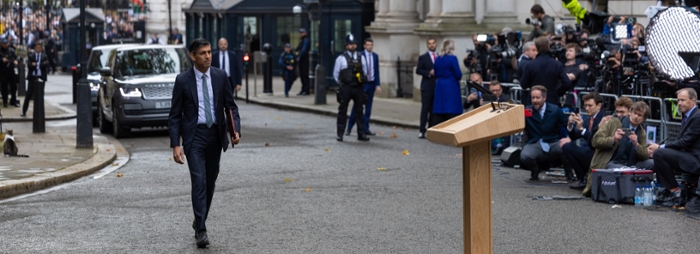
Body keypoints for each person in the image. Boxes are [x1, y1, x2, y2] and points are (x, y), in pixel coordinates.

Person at [168, 38, 241, 248]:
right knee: (199, 181)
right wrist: (176, 144)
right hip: (195, 137)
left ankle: (198, 219)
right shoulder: (182, 80)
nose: (208, 56)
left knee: (209, 183)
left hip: (215, 136)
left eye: (209, 52)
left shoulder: (220, 76)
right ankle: (201, 230)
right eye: (203, 53)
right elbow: (175, 115)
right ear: (193, 56)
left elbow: (231, 107)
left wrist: (235, 130)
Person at [582, 101, 651, 197]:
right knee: (620, 169)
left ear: (643, 119)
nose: (636, 117)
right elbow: (595, 141)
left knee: (653, 163)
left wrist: (636, 144)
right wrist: (613, 139)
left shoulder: (641, 131)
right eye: (635, 113)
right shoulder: (614, 122)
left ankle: (656, 191)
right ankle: (628, 176)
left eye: (639, 115)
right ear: (630, 112)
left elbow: (645, 155)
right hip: (611, 161)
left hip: (631, 162)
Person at [649, 88, 700, 203]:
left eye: (683, 100)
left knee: (660, 153)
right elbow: (681, 142)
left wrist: (660, 147)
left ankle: (674, 190)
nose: (679, 103)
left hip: (696, 159)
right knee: (658, 154)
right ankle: (670, 189)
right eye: (678, 100)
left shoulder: (697, 117)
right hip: (688, 155)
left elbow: (685, 142)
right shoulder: (688, 115)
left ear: (693, 101)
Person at [520, 85, 569, 180]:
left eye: (537, 98)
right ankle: (535, 170)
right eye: (533, 98)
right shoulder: (527, 111)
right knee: (525, 155)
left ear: (544, 97)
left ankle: (569, 173)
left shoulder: (555, 110)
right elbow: (518, 124)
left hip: (552, 141)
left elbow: (567, 124)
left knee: (567, 147)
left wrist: (568, 138)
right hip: (535, 142)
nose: (535, 100)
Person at [562, 92, 606, 189]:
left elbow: (595, 140)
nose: (587, 108)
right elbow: (575, 136)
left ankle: (583, 179)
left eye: (590, 105)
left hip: (598, 153)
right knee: (567, 147)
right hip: (589, 151)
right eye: (585, 105)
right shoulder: (590, 118)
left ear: (599, 105)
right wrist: (570, 125)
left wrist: (582, 129)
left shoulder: (603, 118)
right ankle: (582, 179)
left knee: (570, 148)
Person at [333, 34, 369, 142]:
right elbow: (336, 74)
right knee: (342, 111)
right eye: (350, 44)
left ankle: (361, 134)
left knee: (359, 111)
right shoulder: (341, 58)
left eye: (354, 44)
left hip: (358, 88)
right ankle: (340, 134)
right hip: (346, 87)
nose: (352, 46)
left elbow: (365, 72)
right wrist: (343, 84)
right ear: (346, 46)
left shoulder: (361, 57)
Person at [520, 36, 572, 105]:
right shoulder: (556, 64)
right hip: (551, 100)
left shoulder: (530, 65)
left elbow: (523, 84)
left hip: (534, 101)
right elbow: (567, 83)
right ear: (548, 46)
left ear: (536, 48)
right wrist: (557, 93)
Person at [347, 38, 381, 136]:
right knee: (357, 106)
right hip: (362, 84)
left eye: (371, 45)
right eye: (368, 45)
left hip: (371, 84)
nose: (370, 46)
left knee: (368, 108)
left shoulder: (375, 56)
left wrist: (377, 85)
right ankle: (349, 127)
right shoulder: (359, 55)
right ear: (364, 46)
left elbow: (376, 71)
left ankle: (366, 128)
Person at [431, 39, 463, 126]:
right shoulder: (453, 58)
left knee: (440, 107)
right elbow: (458, 74)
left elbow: (436, 73)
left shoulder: (438, 58)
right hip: (451, 85)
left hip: (440, 85)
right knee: (452, 108)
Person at [416, 37, 437, 139]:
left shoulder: (439, 57)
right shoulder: (423, 57)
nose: (431, 45)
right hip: (427, 86)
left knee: (434, 109)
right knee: (425, 109)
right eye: (429, 43)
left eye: (433, 43)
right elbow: (418, 70)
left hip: (437, 86)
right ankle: (422, 130)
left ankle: (431, 128)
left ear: (436, 44)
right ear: (427, 45)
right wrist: (428, 73)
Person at [21, 41, 48, 117]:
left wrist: (37, 64)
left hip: (41, 77)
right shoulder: (31, 56)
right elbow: (29, 65)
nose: (38, 49)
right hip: (32, 77)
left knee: (41, 95)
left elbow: (46, 64)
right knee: (28, 94)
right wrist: (38, 65)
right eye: (37, 48)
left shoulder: (44, 56)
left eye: (40, 48)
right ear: (35, 48)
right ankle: (24, 111)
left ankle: (40, 112)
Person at [0, 37, 19, 107]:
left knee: (13, 86)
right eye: (3, 43)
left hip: (11, 70)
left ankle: (13, 101)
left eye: (6, 43)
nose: (5, 45)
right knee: (4, 87)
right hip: (3, 71)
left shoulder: (11, 50)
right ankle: (5, 101)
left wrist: (16, 61)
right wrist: (2, 59)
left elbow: (16, 57)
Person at [295, 28, 311, 95]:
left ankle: (306, 90)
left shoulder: (306, 40)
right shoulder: (301, 40)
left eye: (302, 33)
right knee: (301, 75)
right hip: (301, 60)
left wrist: (299, 56)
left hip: (304, 59)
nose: (301, 34)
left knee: (304, 75)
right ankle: (303, 89)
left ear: (305, 33)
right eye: (300, 33)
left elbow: (304, 50)